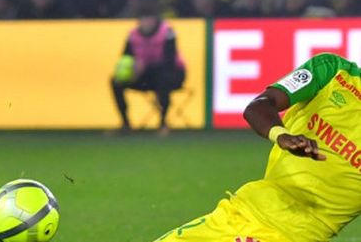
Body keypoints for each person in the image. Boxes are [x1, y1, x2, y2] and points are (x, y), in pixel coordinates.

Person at [153, 52, 361, 242]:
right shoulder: (333, 71)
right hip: (239, 209)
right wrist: (282, 135)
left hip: (292, 235)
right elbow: (260, 105)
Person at [109, 2, 185, 134]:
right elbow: (126, 58)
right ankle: (126, 123)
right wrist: (130, 70)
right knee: (115, 81)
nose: (147, 22)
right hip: (143, 76)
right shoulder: (132, 35)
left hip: (172, 74)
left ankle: (163, 123)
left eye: (150, 18)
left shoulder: (167, 32)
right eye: (144, 19)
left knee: (163, 79)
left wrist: (143, 67)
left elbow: (169, 61)